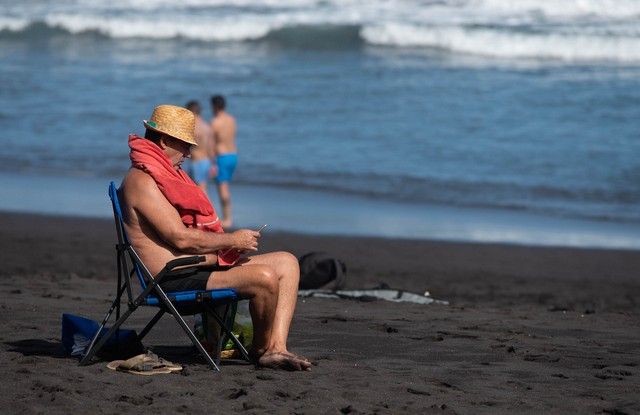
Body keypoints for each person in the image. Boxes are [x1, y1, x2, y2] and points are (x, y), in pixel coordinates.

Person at [120, 104, 311, 371]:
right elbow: (181, 239)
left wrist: (220, 251)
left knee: (287, 263)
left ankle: (277, 347)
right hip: (171, 278)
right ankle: (261, 350)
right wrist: (231, 241)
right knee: (264, 277)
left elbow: (183, 239)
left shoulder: (162, 175)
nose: (189, 152)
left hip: (191, 265)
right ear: (164, 141)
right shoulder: (141, 180)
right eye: (184, 144)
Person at [210, 95, 237, 228]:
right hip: (233, 155)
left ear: (214, 106)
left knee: (223, 188)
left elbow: (212, 143)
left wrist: (212, 162)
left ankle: (227, 218)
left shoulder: (215, 122)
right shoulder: (232, 120)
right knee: (226, 185)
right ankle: (227, 216)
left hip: (222, 156)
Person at [184, 100, 215, 194]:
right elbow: (211, 147)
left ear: (191, 112)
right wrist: (213, 164)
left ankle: (207, 209)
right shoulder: (207, 126)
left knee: (200, 190)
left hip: (197, 162)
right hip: (206, 161)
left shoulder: (193, 127)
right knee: (201, 188)